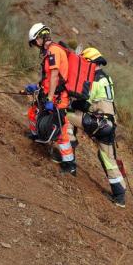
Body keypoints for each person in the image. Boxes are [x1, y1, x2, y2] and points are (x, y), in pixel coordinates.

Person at [67, 47, 126, 208]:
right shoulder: (107, 78)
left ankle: (68, 162)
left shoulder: (94, 80)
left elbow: (85, 103)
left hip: (97, 122)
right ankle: (120, 196)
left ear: (89, 63)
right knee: (108, 158)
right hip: (109, 124)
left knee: (67, 116)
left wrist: (71, 101)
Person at [25, 23, 77, 176]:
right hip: (50, 94)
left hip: (57, 98)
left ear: (40, 38)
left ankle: (69, 164)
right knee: (33, 112)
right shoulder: (51, 51)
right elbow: (48, 78)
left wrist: (49, 99)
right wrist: (37, 87)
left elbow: (55, 76)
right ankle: (36, 135)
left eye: (35, 42)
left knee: (61, 132)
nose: (35, 46)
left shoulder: (54, 51)